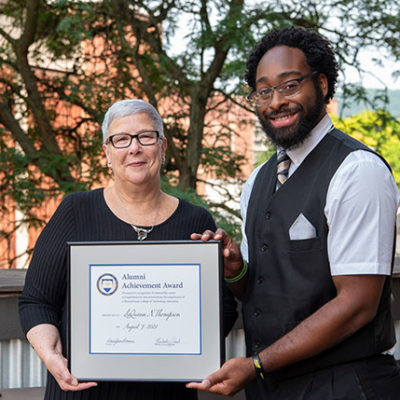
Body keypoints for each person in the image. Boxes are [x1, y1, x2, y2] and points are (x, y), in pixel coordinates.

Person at [187, 27, 400, 399]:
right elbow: (257, 292)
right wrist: (236, 270)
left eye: (289, 85)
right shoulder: (257, 180)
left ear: (321, 83)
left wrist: (256, 364)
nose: (275, 102)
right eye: (263, 90)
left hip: (343, 385)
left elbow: (357, 305)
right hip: (272, 387)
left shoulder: (357, 170)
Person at [19, 99, 237, 400]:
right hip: (83, 392)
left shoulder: (196, 220)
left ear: (161, 148)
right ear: (107, 153)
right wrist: (50, 355)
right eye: (121, 139)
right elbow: (36, 301)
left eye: (145, 137)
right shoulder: (75, 211)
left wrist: (191, 346)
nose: (134, 148)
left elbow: (222, 310)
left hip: (165, 393)